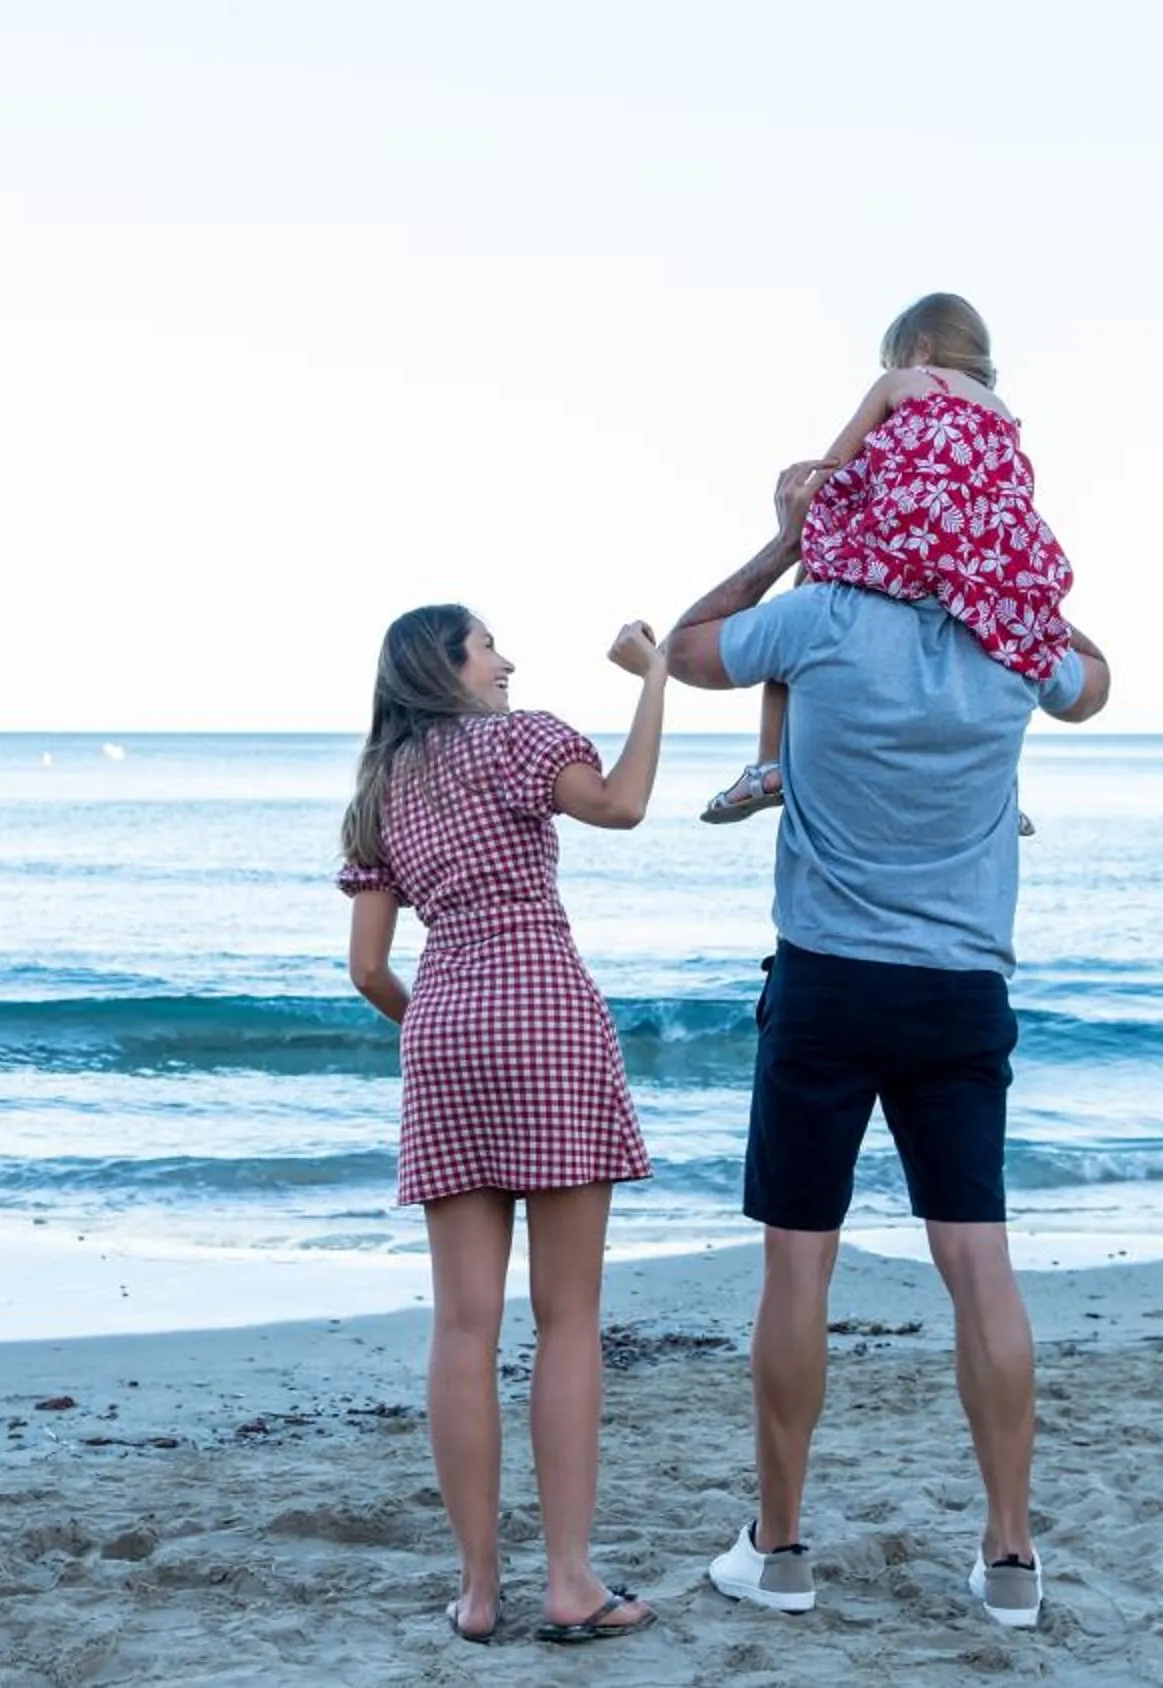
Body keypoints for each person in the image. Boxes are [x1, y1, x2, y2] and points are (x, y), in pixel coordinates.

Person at [663, 459, 1111, 1629]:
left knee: (798, 1265)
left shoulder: (823, 614)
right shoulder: (1010, 635)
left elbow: (690, 644)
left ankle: (783, 1547)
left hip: (827, 981)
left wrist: (784, 537)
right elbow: (1094, 684)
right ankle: (1011, 1557)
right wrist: (1010, 562)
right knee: (981, 1264)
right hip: (959, 990)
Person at [337, 605, 668, 1646]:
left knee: (463, 1324)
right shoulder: (520, 739)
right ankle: (569, 1580)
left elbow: (366, 969)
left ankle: (478, 1592)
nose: (509, 660)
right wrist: (654, 679)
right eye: (491, 646)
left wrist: (442, 1024)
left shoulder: (382, 788)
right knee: (567, 1317)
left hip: (442, 1025)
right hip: (544, 1010)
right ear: (449, 664)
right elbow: (620, 804)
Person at [703, 294, 1072, 838]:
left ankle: (768, 764)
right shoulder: (1000, 413)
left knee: (807, 592)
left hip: (906, 537)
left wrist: (802, 526)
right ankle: (1003, 789)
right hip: (985, 555)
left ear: (919, 347)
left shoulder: (904, 383)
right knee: (1003, 647)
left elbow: (833, 462)